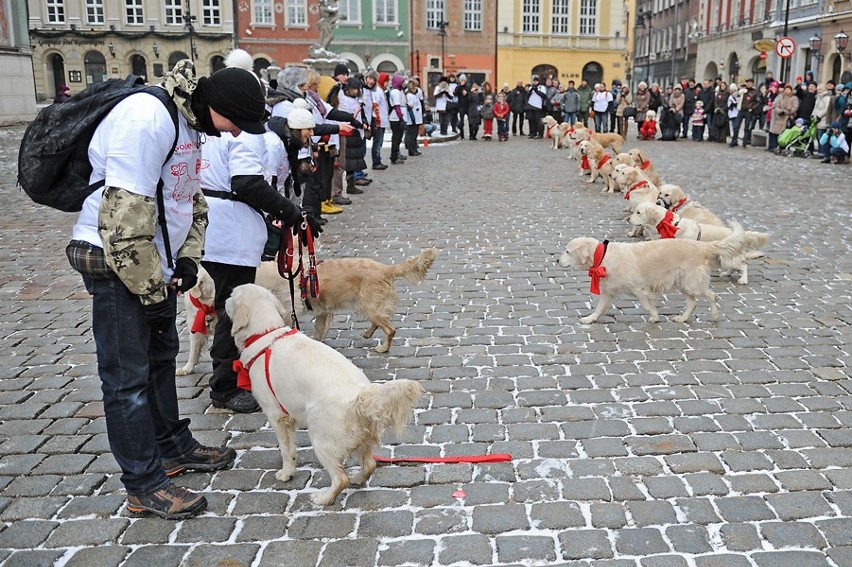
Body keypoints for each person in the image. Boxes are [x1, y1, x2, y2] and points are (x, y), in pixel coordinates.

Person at [66, 62, 261, 520]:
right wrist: (154, 290)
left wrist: (188, 260)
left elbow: (188, 199)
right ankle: (143, 485)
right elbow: (123, 222)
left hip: (155, 267)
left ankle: (172, 447)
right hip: (118, 264)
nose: (236, 135)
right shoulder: (147, 118)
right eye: (237, 123)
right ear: (218, 107)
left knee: (158, 360)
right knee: (127, 378)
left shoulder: (189, 125)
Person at [201, 71, 322, 415]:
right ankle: (224, 385)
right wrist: (292, 212)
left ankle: (232, 374)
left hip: (220, 227)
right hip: (230, 233)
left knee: (227, 304)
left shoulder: (215, 131)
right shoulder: (248, 135)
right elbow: (249, 184)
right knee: (232, 307)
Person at [768, 83, 799, 151]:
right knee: (776, 132)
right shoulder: (781, 97)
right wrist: (779, 111)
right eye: (786, 89)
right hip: (779, 117)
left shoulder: (794, 98)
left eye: (788, 89)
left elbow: (795, 107)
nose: (787, 91)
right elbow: (777, 106)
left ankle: (783, 146)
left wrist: (787, 112)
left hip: (787, 118)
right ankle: (775, 146)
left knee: (785, 133)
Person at [369, 71, 389, 170]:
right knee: (377, 142)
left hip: (382, 121)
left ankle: (378, 159)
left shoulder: (381, 90)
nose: (387, 84)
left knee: (379, 142)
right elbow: (375, 105)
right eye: (386, 81)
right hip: (379, 121)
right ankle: (376, 161)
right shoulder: (377, 91)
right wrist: (377, 120)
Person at [388, 74, 407, 163]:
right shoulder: (396, 92)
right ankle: (394, 156)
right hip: (396, 118)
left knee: (398, 137)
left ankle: (397, 153)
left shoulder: (399, 91)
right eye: (402, 82)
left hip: (398, 116)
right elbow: (397, 106)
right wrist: (401, 118)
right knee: (396, 137)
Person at [404, 79, 423, 155]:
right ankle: (411, 150)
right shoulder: (409, 95)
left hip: (416, 117)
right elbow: (410, 106)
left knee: (414, 135)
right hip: (412, 118)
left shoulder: (414, 95)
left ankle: (414, 149)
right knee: (411, 135)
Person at [456, 74, 470, 139]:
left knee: (470, 120)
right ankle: (462, 135)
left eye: (464, 80)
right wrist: (460, 86)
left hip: (468, 105)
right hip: (461, 106)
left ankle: (471, 134)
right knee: (461, 121)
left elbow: (470, 94)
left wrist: (467, 93)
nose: (463, 81)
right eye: (461, 80)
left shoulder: (468, 86)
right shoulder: (458, 87)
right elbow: (455, 93)